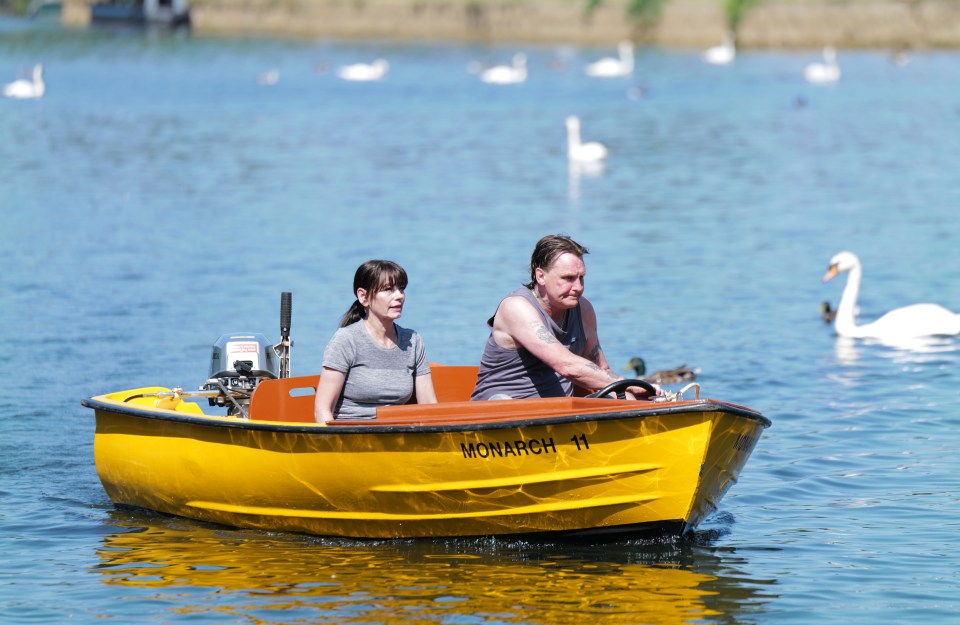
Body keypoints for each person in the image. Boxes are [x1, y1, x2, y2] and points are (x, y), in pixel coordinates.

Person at [471, 234, 660, 401]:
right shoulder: (516, 307)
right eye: (568, 278)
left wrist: (636, 394)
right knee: (503, 403)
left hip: (556, 416)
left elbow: (602, 371)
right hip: (499, 417)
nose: (578, 287)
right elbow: (566, 365)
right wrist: (626, 382)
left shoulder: (583, 308)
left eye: (581, 278)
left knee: (629, 398)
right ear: (540, 276)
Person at [315, 260, 437, 422]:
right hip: (350, 437)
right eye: (388, 290)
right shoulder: (346, 340)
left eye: (401, 289)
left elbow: (428, 405)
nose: (399, 296)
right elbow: (322, 410)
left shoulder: (413, 340)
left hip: (397, 436)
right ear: (363, 296)